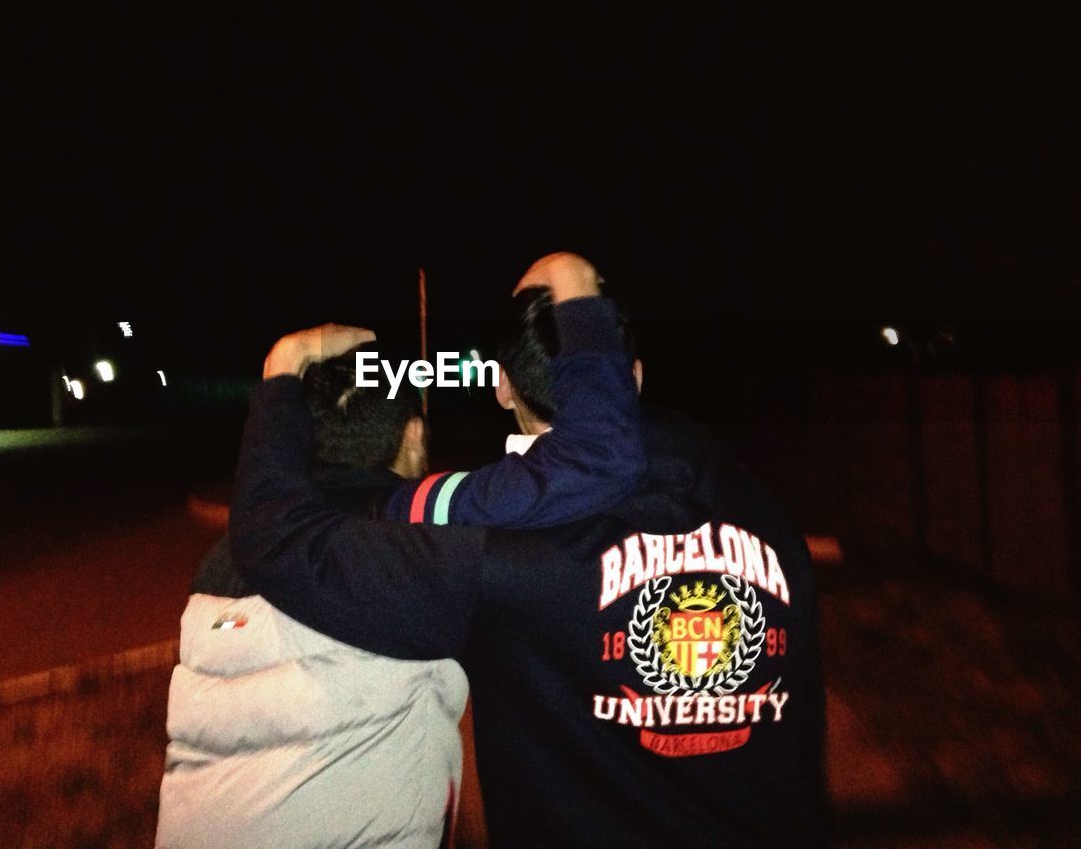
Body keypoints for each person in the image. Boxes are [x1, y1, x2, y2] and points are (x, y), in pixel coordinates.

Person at [230, 252, 828, 848]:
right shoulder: (766, 514)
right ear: (635, 377)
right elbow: (804, 739)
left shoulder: (491, 550)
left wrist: (283, 372)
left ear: (501, 385)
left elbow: (281, 540)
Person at [156, 253, 646, 849]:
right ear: (413, 435)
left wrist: (282, 370)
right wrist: (573, 283)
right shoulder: (424, 541)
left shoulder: (216, 564)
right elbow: (590, 460)